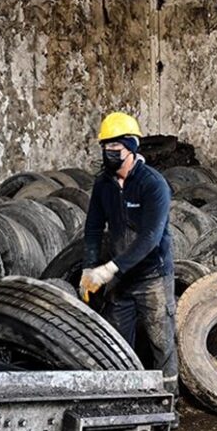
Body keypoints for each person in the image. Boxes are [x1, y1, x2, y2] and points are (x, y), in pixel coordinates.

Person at [79, 112, 178, 395]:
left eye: (115, 149)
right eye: (105, 148)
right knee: (118, 345)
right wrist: (89, 267)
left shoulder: (153, 185)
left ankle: (169, 402)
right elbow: (94, 228)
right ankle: (125, 401)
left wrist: (109, 269)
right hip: (121, 283)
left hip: (153, 277)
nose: (109, 154)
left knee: (162, 345)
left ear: (132, 148)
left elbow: (150, 238)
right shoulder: (103, 184)